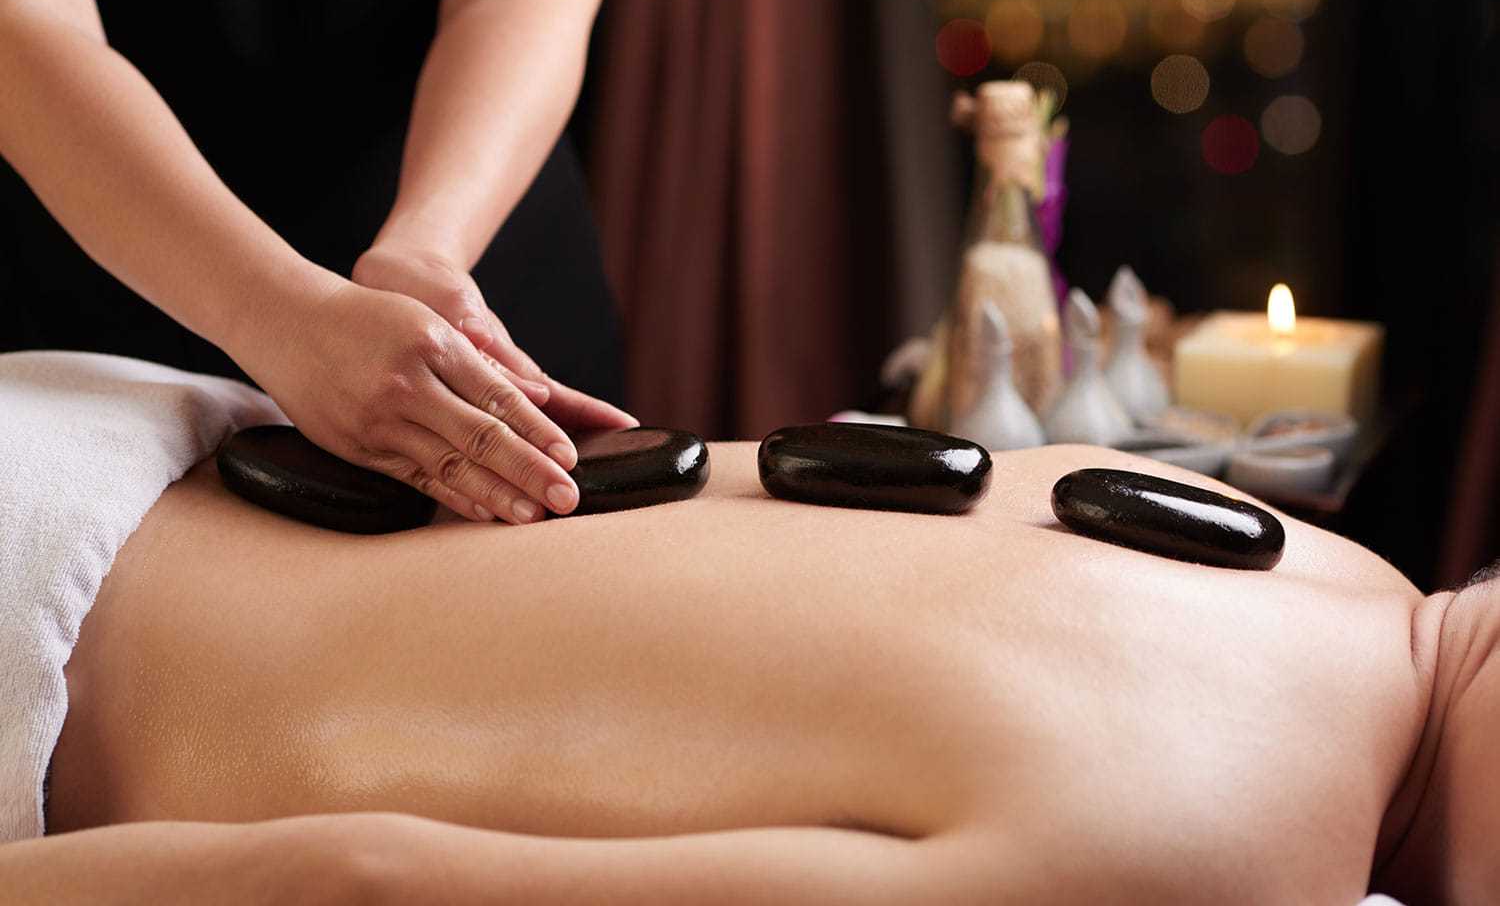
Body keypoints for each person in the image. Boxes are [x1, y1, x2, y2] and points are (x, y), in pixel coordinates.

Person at [1, 429, 1492, 903]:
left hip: (123, 437)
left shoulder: (1323, 567)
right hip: (47, 673)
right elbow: (358, 886)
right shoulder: (1235, 840)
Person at [0, 0, 634, 526]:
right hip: (109, 308)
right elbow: (24, 23)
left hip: (478, 293)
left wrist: (427, 246)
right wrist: (279, 314)